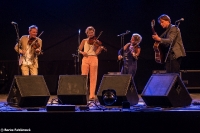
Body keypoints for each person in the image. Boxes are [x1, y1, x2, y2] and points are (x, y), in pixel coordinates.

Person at [78, 26, 104, 101]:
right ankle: (83, 93)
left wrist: (100, 49)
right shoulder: (84, 40)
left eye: (92, 32)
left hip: (93, 58)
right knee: (84, 76)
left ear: (94, 33)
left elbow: (96, 53)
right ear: (87, 33)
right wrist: (83, 53)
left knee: (93, 77)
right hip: (85, 58)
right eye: (89, 32)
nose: (91, 34)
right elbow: (78, 50)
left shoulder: (96, 41)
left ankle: (92, 95)